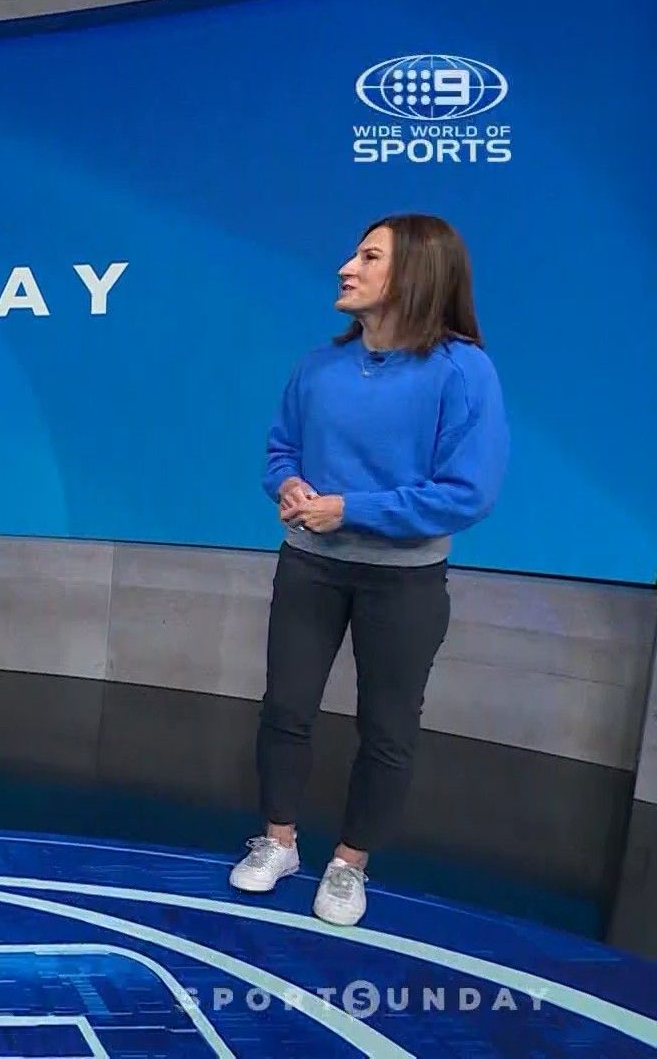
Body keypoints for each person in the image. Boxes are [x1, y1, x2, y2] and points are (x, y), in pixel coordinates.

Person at [230, 213, 508, 926]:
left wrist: (350, 509)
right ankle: (278, 842)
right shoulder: (318, 367)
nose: (345, 268)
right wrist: (289, 485)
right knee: (285, 708)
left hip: (405, 582)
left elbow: (467, 493)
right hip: (309, 567)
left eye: (368, 257)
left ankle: (349, 865)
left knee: (387, 729)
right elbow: (279, 452)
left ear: (415, 273)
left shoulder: (462, 371)